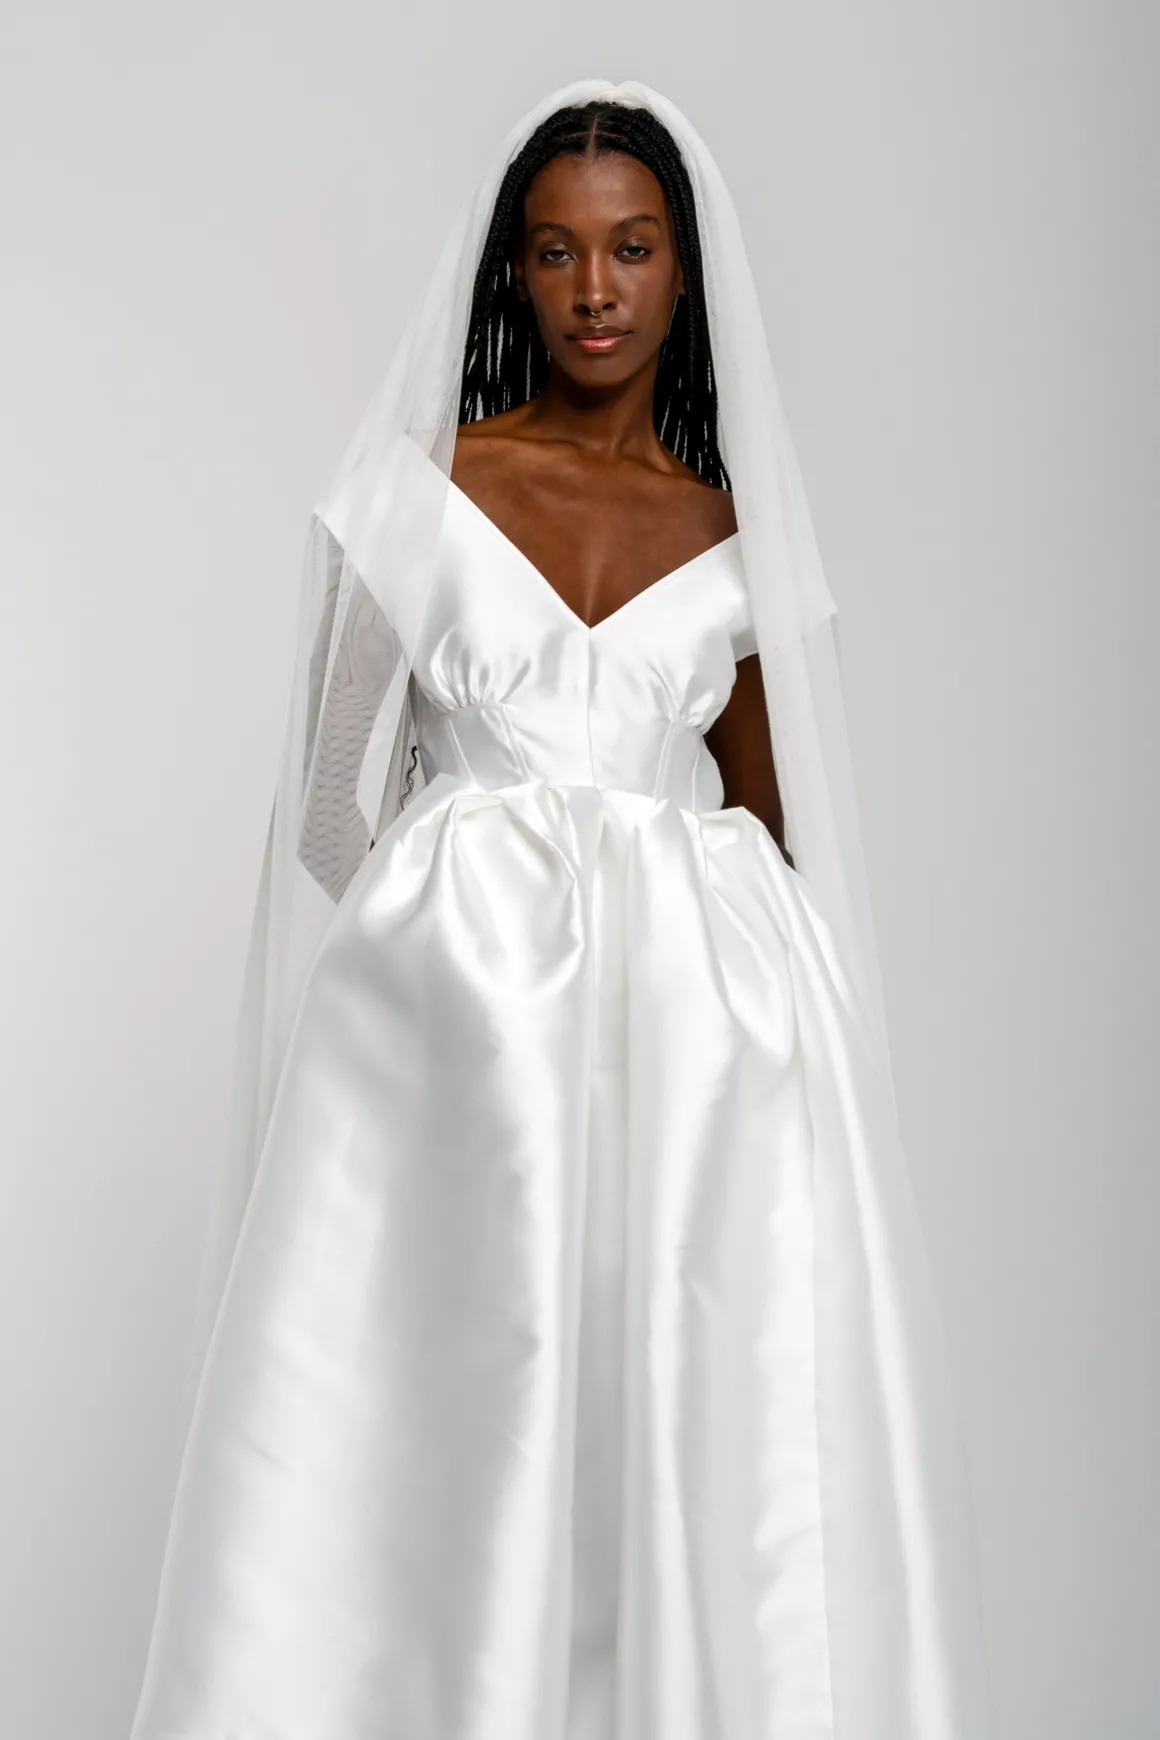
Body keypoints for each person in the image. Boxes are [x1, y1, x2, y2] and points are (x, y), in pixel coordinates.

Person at [129, 81, 997, 1740]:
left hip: (689, 1076)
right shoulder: (422, 491)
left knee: (670, 1432)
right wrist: (447, 950)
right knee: (451, 1420)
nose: (595, 289)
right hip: (458, 1049)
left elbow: (775, 822)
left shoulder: (736, 540)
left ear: (684, 272)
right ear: (511, 274)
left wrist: (693, 968)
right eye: (556, 251)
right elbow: (327, 800)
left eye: (633, 248)